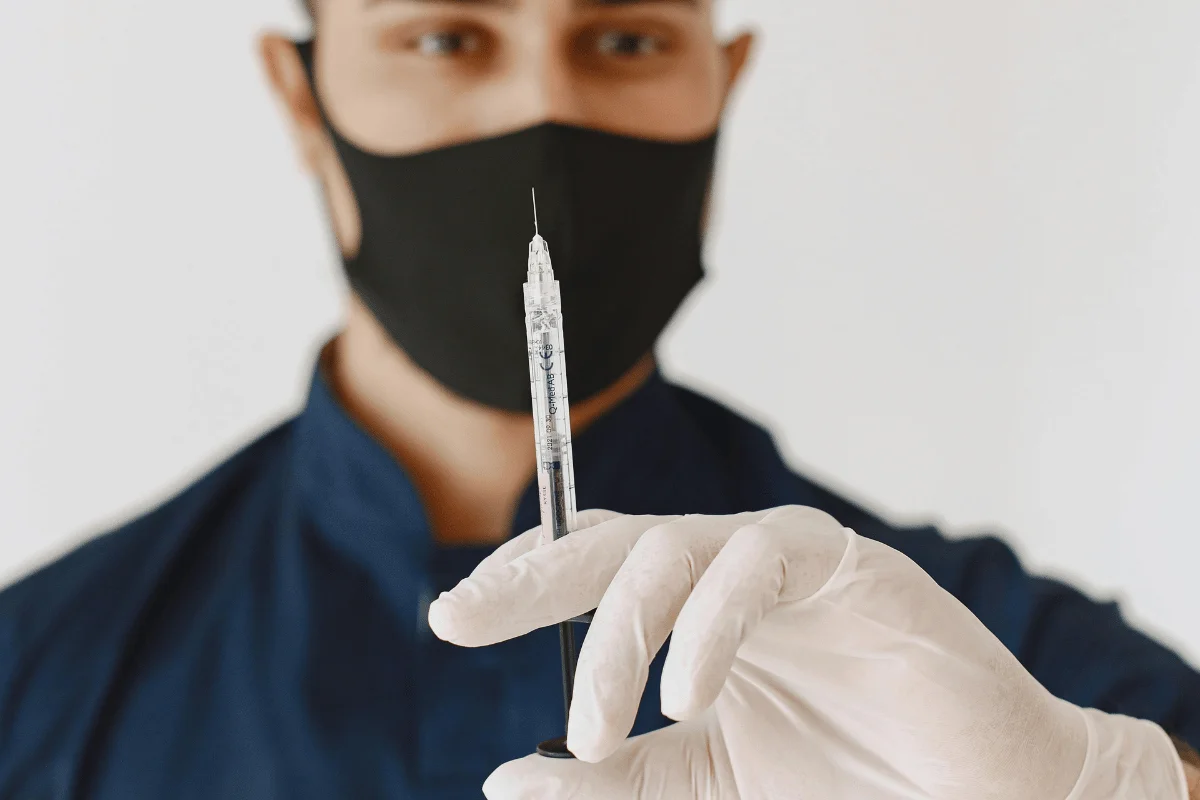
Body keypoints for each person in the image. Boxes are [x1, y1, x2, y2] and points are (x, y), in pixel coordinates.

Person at [0, 0, 1196, 797]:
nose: (542, 121)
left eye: (624, 39)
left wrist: (1115, 789)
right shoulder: (39, 685)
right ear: (302, 96)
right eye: (444, 36)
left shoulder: (964, 654)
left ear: (722, 79)